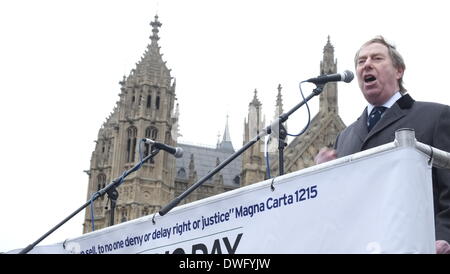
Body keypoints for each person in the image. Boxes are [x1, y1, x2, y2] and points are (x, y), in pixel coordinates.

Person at [314, 36, 450, 254]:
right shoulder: (345, 137)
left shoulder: (436, 117)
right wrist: (322, 177)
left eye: (377, 58)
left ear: (399, 71)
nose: (367, 64)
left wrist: (444, 238)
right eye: (361, 61)